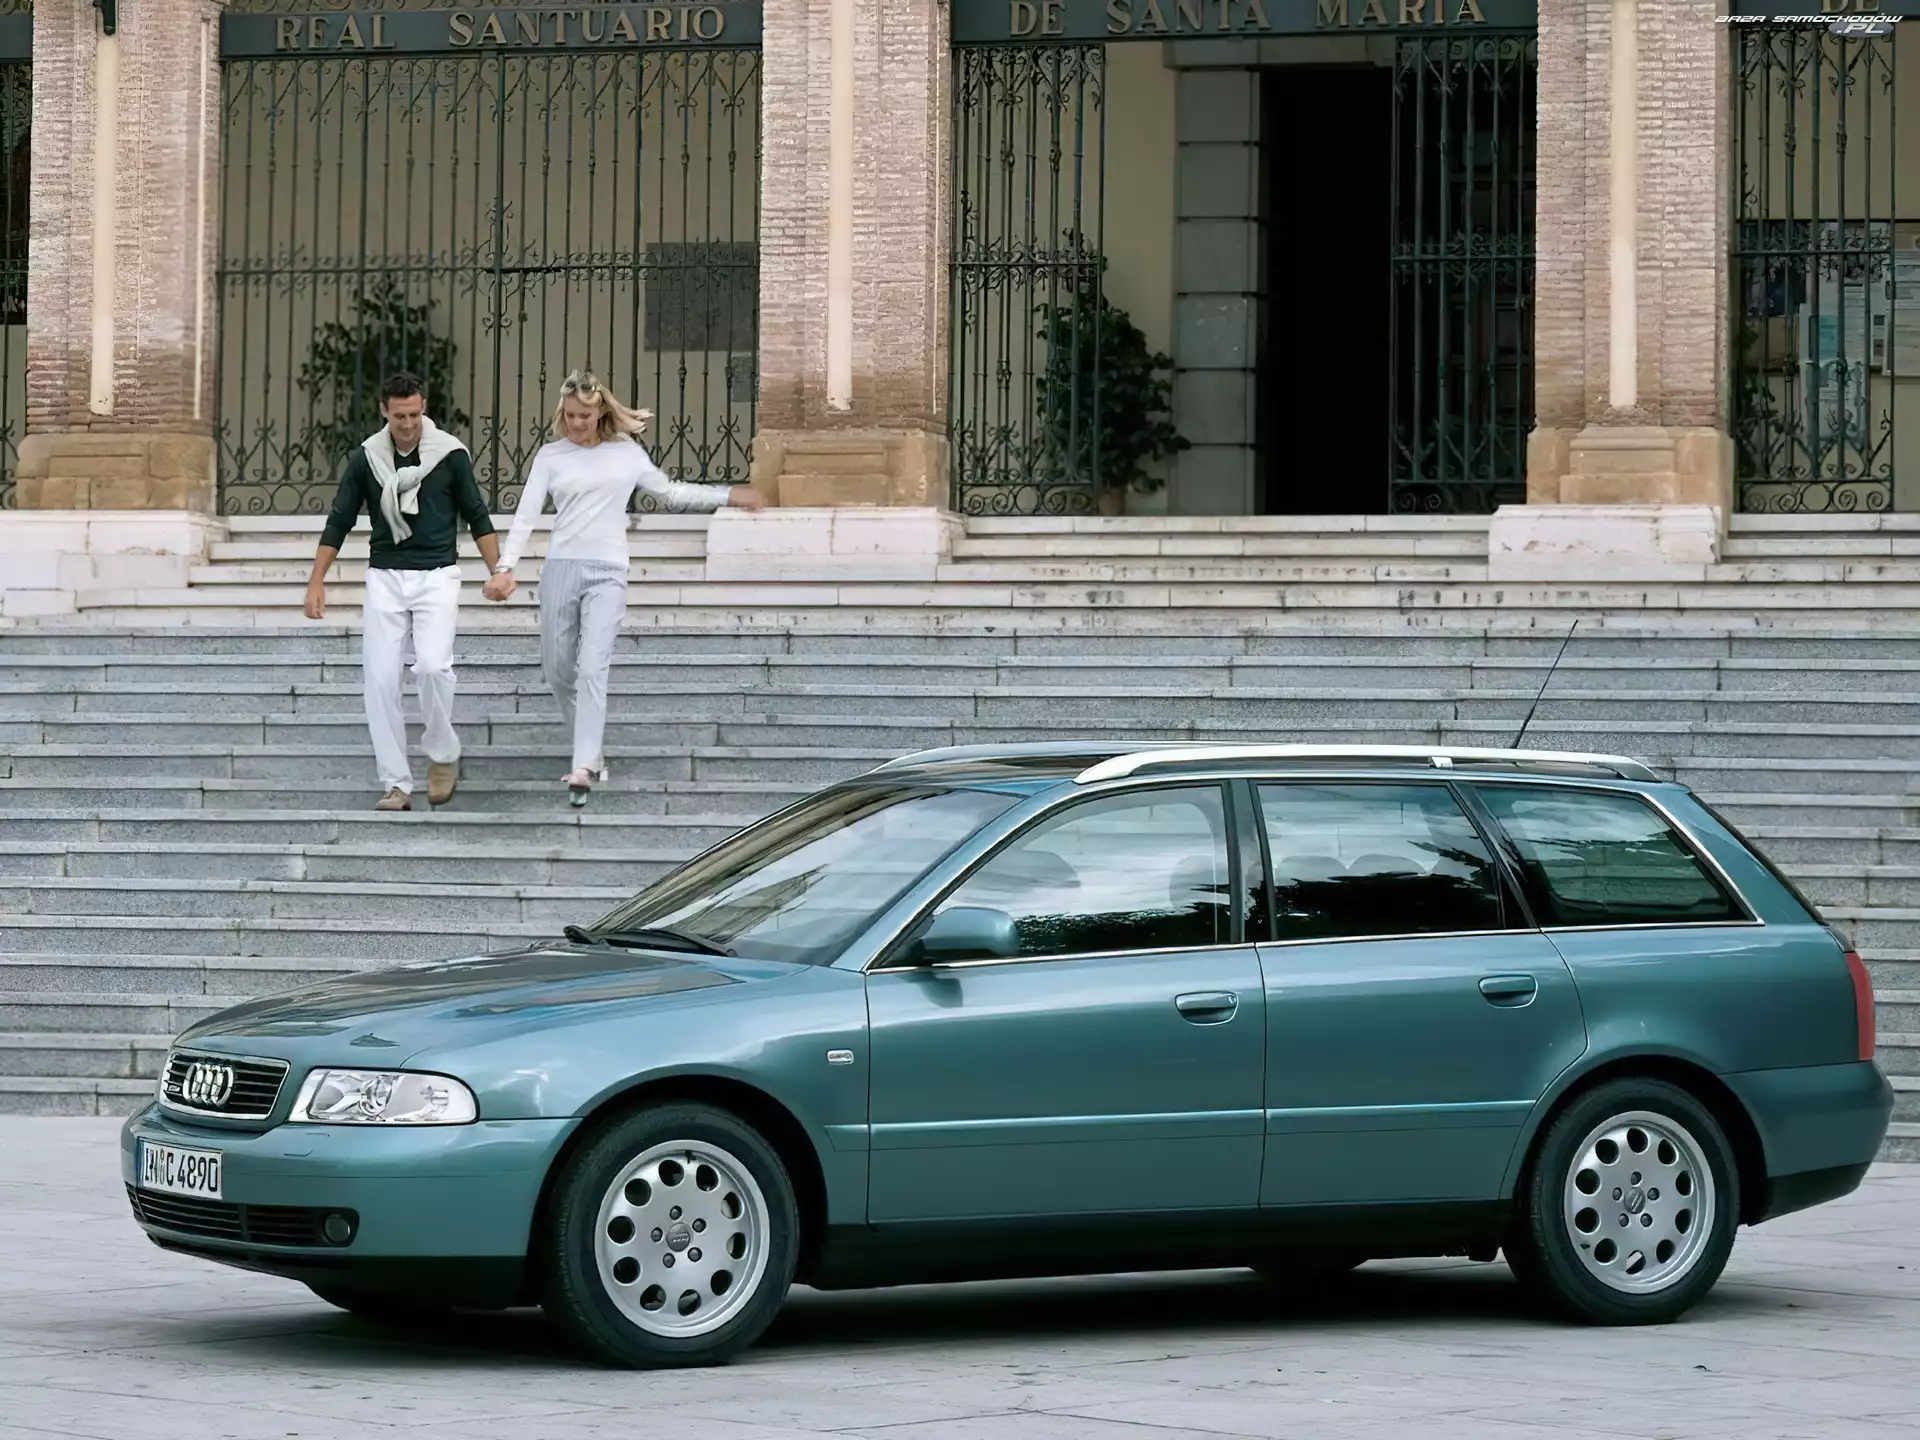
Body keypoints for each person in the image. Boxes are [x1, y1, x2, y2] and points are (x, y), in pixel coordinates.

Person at [482, 370, 762, 805]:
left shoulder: (626, 452)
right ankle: (591, 750)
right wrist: (505, 568)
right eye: (570, 415)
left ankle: (584, 765)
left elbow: (669, 493)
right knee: (558, 671)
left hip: (608, 571)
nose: (577, 423)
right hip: (561, 570)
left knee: (592, 668)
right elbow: (525, 516)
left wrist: (726, 495)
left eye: (584, 415)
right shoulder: (551, 456)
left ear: (600, 412)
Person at [304, 372, 500, 812]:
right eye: (399, 416)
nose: (408, 424)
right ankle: (396, 783)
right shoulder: (367, 458)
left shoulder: (449, 454)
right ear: (384, 412)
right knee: (380, 680)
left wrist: (499, 571)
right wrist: (316, 580)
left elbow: (477, 514)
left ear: (423, 407)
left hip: (437, 575)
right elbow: (340, 519)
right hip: (386, 577)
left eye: (414, 414)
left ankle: (442, 755)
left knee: (432, 667)